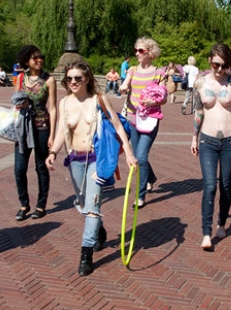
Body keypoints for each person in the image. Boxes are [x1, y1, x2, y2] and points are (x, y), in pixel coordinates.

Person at [45, 61, 136, 276]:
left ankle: (86, 253)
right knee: (86, 205)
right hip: (75, 159)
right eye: (69, 79)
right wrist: (53, 153)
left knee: (93, 205)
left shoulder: (99, 99)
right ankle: (99, 229)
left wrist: (129, 152)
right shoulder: (65, 103)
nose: (74, 82)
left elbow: (116, 125)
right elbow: (60, 133)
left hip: (97, 157)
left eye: (78, 78)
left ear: (87, 78)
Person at [191, 44, 231, 251]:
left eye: (224, 65)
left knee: (225, 185)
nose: (219, 69)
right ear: (209, 61)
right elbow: (198, 111)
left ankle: (222, 223)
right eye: (216, 64)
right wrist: (194, 137)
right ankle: (206, 232)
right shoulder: (200, 83)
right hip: (207, 140)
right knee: (210, 186)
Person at [119, 37, 166, 208]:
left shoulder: (158, 73)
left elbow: (164, 98)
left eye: (140, 50)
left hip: (150, 119)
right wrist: (123, 87)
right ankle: (151, 178)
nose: (136, 53)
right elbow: (125, 84)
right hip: (133, 118)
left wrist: (151, 103)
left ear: (150, 52)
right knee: (139, 156)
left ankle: (140, 195)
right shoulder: (132, 70)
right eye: (136, 50)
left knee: (140, 157)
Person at [12, 45, 57, 221]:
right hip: (23, 128)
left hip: (41, 127)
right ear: (26, 61)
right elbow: (15, 100)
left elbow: (52, 108)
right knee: (19, 168)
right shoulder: (21, 78)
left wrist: (52, 135)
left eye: (41, 57)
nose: (39, 60)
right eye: (35, 58)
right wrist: (19, 103)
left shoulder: (49, 80)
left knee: (41, 167)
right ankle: (24, 204)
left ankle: (41, 205)